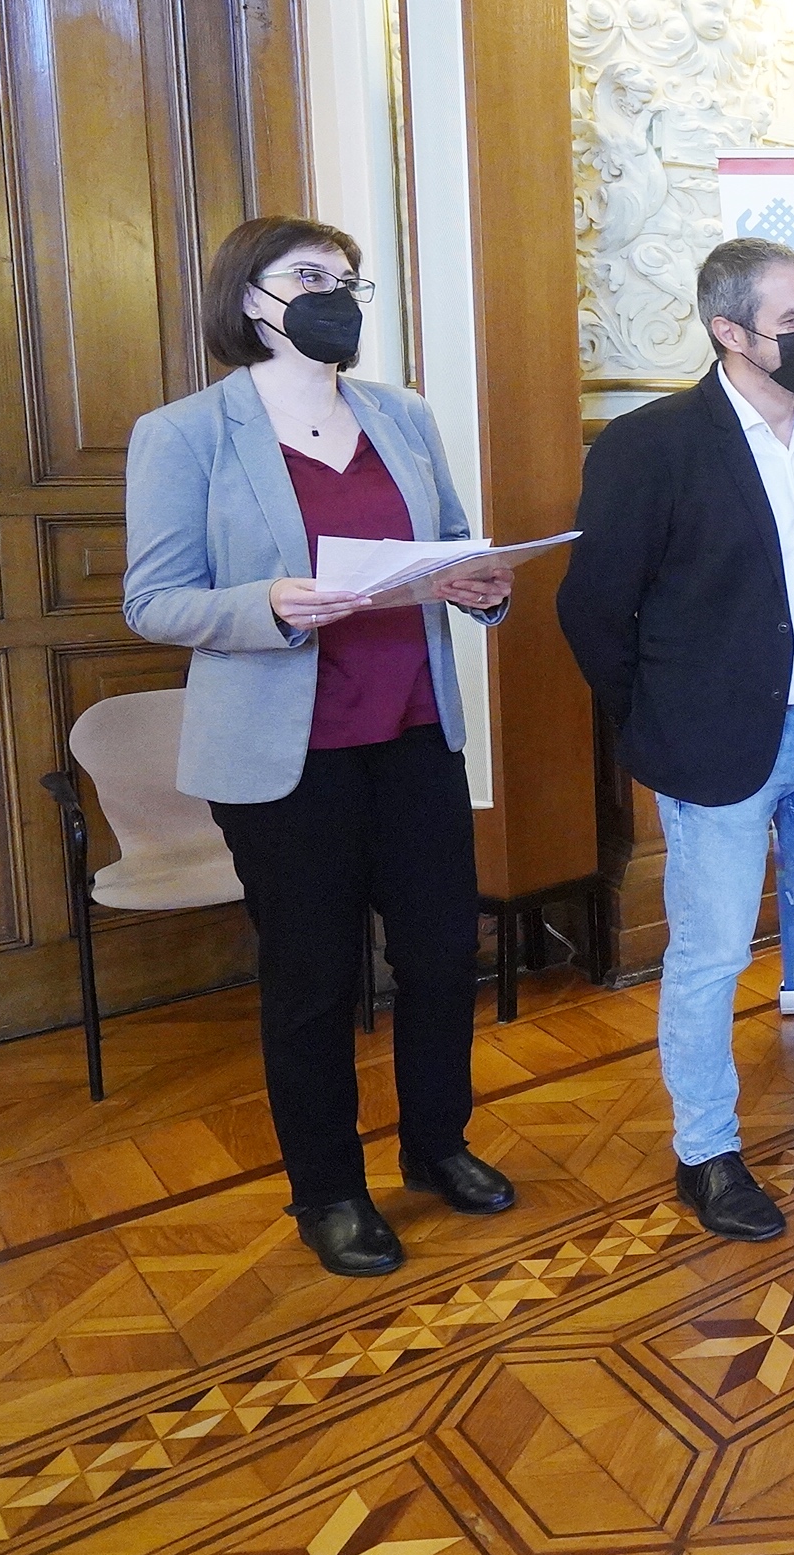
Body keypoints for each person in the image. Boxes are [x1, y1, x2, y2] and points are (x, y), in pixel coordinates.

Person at [123, 216, 517, 1278]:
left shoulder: (402, 415)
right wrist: (268, 603)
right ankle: (329, 1191)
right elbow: (153, 600)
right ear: (250, 298)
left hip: (416, 731)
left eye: (348, 279)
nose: (334, 294)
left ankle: (436, 1144)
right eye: (309, 276)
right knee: (312, 979)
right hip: (286, 757)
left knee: (441, 956)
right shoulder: (185, 432)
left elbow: (453, 548)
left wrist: (479, 586)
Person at [559, 236, 794, 1245]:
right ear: (729, 332)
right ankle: (705, 1150)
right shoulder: (649, 445)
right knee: (711, 953)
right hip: (715, 744)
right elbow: (592, 609)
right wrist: (657, 720)